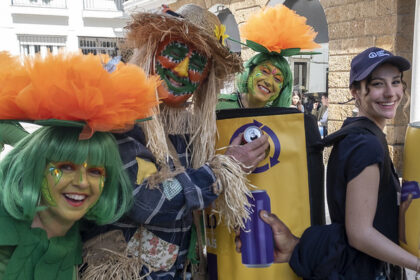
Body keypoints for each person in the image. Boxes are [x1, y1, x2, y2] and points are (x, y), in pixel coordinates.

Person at [81, 4, 270, 280]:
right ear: (153, 50)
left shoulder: (189, 129)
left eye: (196, 64)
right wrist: (222, 170)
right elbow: (146, 201)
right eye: (176, 52)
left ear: (205, 78)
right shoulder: (119, 115)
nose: (182, 70)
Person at [237, 47, 420, 279]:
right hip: (365, 270)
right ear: (355, 91)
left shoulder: (355, 133)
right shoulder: (366, 144)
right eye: (377, 84)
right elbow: (360, 234)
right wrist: (416, 263)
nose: (390, 92)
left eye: (395, 82)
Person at [0, 51, 158, 280]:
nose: (82, 182)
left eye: (95, 171)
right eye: (65, 167)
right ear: (38, 167)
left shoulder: (71, 233)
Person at [217, 6, 319, 110]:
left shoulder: (278, 119)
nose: (268, 82)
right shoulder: (219, 106)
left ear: (282, 90)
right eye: (265, 71)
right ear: (250, 71)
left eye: (277, 79)